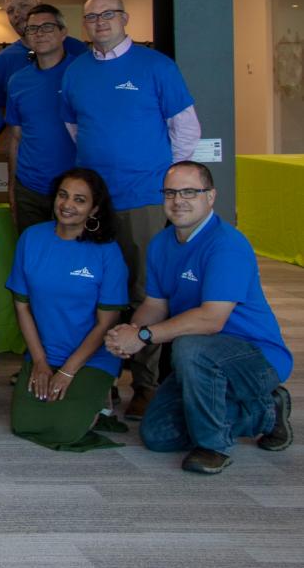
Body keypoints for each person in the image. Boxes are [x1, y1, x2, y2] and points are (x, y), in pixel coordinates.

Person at [60, 0, 199, 418]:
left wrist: (160, 180)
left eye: (108, 15)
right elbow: (75, 129)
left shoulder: (156, 66)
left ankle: (145, 383)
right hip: (94, 203)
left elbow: (187, 131)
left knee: (145, 292)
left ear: (124, 19)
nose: (100, 22)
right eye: (91, 17)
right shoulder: (76, 72)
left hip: (143, 199)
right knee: (95, 291)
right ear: (84, 25)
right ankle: (100, 381)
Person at [105, 162, 294, 475]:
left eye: (190, 191)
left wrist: (142, 337)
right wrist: (130, 332)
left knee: (190, 345)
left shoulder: (227, 244)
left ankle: (212, 446)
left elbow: (211, 321)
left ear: (211, 196)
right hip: (201, 366)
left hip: (257, 360)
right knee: (157, 435)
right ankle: (266, 412)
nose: (178, 200)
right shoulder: (161, 244)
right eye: (170, 192)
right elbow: (155, 304)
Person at [6, 167, 129, 452]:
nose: (67, 205)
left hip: (91, 358)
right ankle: (91, 404)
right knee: (24, 423)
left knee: (65, 429)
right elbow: (21, 307)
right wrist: (39, 361)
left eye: (79, 200)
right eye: (63, 195)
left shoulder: (107, 251)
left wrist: (68, 371)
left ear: (94, 209)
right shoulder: (32, 238)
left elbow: (106, 322)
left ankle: (99, 400)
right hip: (45, 353)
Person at [4, 4, 79, 234]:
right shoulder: (18, 81)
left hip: (74, 188)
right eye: (32, 29)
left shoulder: (81, 72)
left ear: (63, 32)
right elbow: (16, 138)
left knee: (73, 258)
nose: (39, 33)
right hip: (30, 188)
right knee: (34, 257)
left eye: (47, 27)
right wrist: (13, 187)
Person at [0, 0, 86, 114]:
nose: (17, 14)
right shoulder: (3, 61)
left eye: (23, 6)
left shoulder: (78, 51)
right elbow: (2, 110)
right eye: (10, 11)